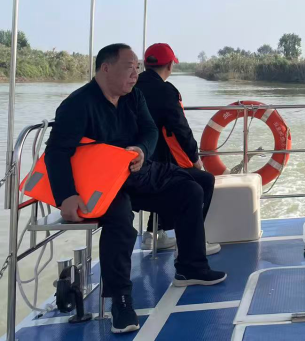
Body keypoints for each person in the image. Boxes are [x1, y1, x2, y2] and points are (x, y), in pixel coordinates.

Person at [44, 44, 226, 335]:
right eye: (130, 67)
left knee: (194, 187)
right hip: (102, 186)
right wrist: (66, 195)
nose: (135, 74)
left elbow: (150, 131)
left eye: (138, 67)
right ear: (106, 68)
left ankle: (190, 266)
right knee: (120, 219)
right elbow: (56, 151)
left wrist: (142, 150)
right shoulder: (77, 104)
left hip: (136, 174)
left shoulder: (135, 96)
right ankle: (120, 300)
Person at [134, 43, 219, 256]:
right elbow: (181, 128)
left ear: (145, 65)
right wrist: (195, 158)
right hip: (151, 167)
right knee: (203, 181)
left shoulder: (130, 87)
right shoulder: (166, 91)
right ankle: (191, 244)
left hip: (131, 166)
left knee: (171, 173)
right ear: (170, 65)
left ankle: (154, 233)